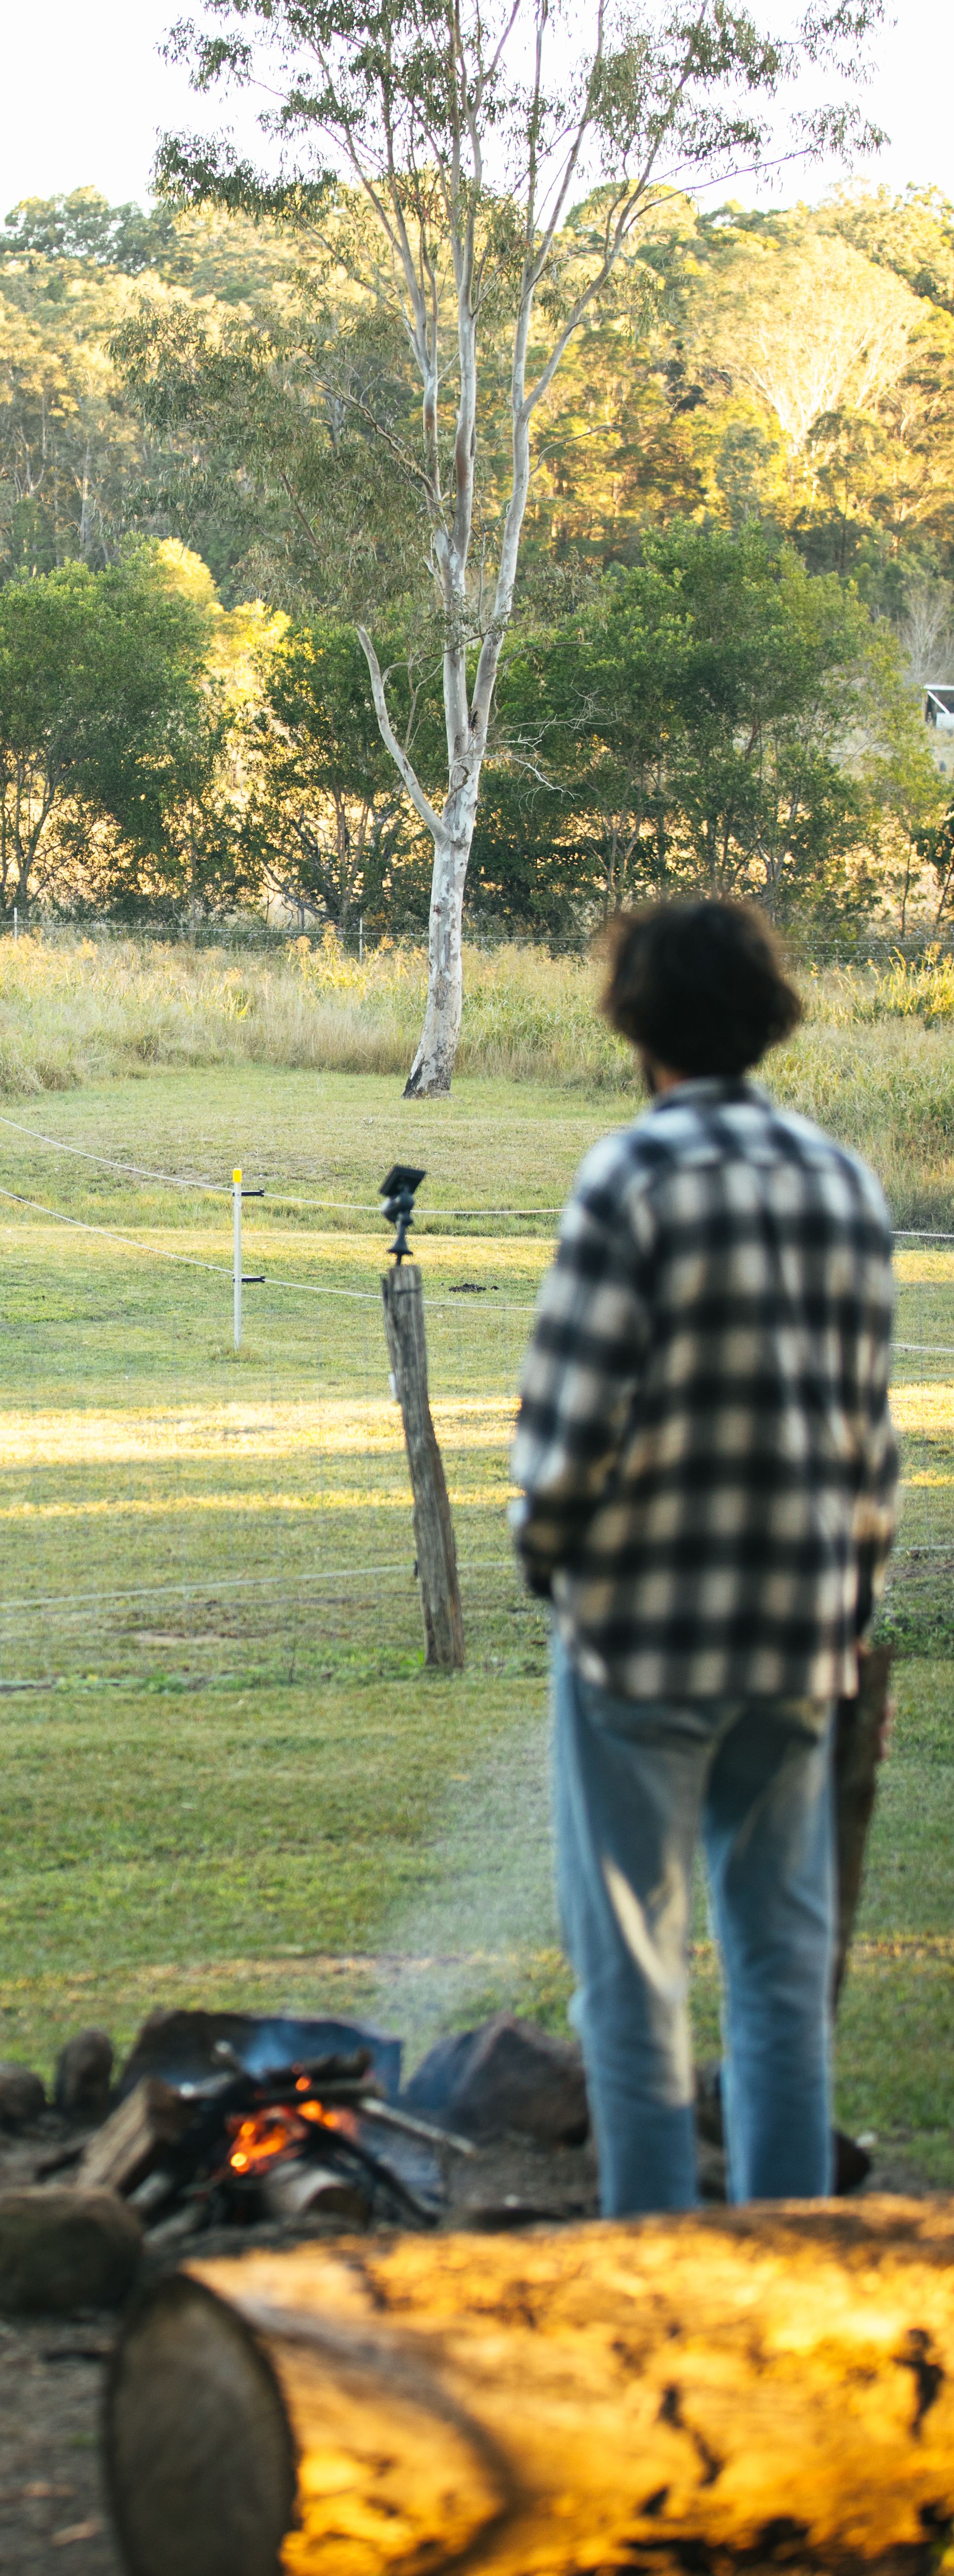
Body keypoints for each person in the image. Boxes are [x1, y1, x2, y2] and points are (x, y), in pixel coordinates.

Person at [510, 898, 899, 2216]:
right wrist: (854, 1606)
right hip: (799, 1637)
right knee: (783, 1971)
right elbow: (868, 1440)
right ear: (765, 1017)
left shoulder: (632, 1178)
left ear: (638, 1024)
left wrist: (547, 1557)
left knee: (636, 1972)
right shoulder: (844, 1183)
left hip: (644, 1639)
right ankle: (792, 2271)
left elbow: (566, 1430)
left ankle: (656, 2273)